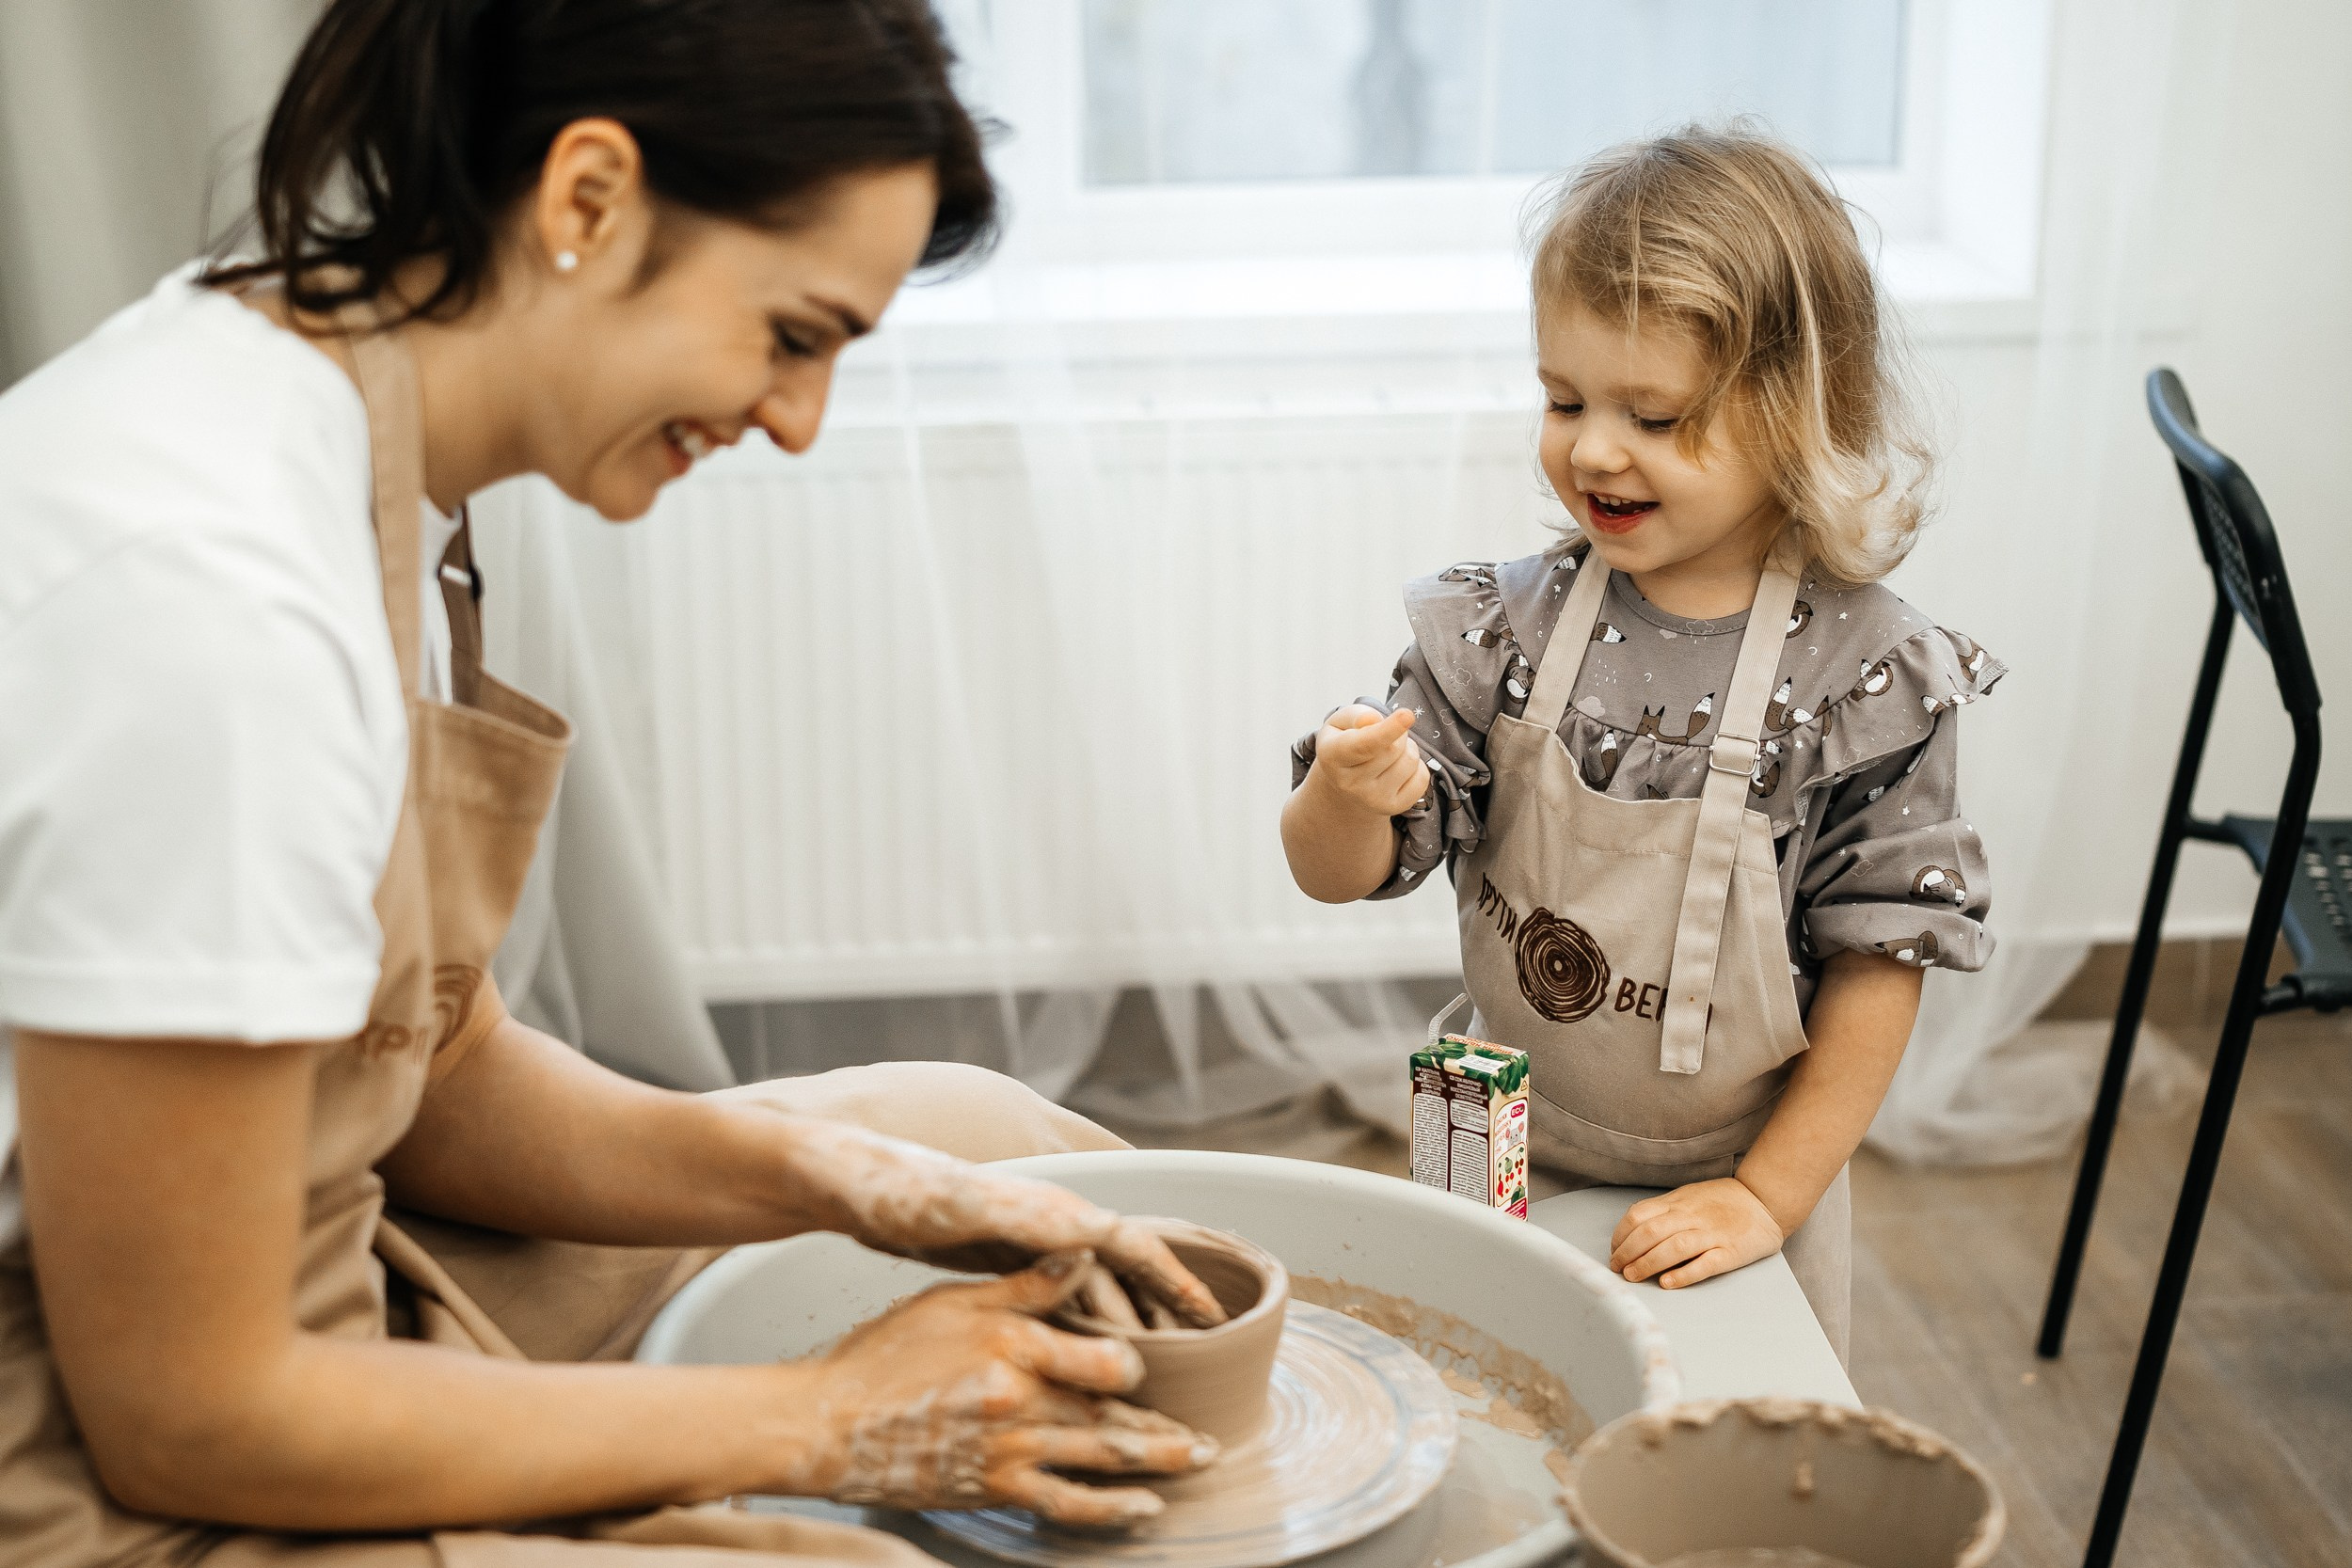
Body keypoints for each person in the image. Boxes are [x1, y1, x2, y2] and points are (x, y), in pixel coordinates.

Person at [0, 2, 1227, 1561]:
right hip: (94, 1439)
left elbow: (430, 1067)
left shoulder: (349, 423)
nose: (797, 423)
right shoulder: (209, 609)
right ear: (587, 197)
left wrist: (837, 1174)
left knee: (988, 1133)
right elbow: (196, 1412)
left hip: (302, 1241)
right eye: (792, 336)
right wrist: (833, 1413)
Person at [1280, 125, 2002, 1361]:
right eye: (1565, 400)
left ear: (1796, 413)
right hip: (1495, 1135)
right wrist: (1346, 793)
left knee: (1715, 1465)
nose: (1595, 447)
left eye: (1655, 416)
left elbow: (1884, 966)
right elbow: (1340, 870)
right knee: (1486, 1395)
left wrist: (1767, 1196)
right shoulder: (1498, 629)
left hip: (1731, 1181)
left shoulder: (1863, 679)